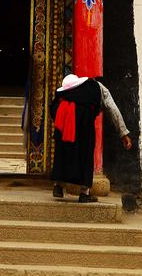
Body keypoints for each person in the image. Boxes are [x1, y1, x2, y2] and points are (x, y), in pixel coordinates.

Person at [49, 74, 103, 202]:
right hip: (84, 138)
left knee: (62, 157)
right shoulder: (88, 99)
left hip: (63, 138)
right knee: (84, 159)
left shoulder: (61, 101)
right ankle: (84, 193)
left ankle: (58, 186)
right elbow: (97, 110)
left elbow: (53, 112)